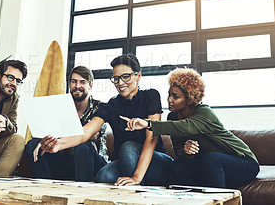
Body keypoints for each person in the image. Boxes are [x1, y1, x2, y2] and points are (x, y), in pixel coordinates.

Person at [33, 54, 173, 186]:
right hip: (123, 161)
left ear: (138, 76)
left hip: (156, 162)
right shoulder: (111, 105)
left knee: (128, 147)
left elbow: (152, 139)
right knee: (104, 177)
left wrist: (136, 177)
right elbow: (85, 132)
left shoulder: (151, 96)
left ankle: (136, 195)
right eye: (116, 78)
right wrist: (58, 144)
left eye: (125, 77)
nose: (120, 83)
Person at [122, 67, 260, 188]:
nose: (169, 99)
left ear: (189, 99)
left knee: (211, 158)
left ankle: (217, 200)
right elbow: (179, 153)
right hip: (211, 165)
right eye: (169, 94)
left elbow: (185, 127)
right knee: (178, 167)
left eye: (175, 96)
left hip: (244, 163)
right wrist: (186, 152)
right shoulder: (172, 117)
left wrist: (148, 124)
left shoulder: (204, 112)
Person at [24, 66, 108, 181]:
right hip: (66, 158)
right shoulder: (59, 106)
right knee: (32, 145)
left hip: (92, 161)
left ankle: (81, 191)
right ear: (69, 85)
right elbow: (47, 132)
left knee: (83, 146)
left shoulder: (100, 108)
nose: (77, 86)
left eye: (82, 82)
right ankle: (46, 187)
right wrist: (44, 140)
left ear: (90, 86)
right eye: (74, 81)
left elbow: (88, 135)